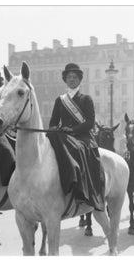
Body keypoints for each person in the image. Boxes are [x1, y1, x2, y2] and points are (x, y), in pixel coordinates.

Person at [47, 63, 105, 211]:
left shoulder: (86, 99)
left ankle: (81, 189)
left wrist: (72, 130)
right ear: (65, 80)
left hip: (82, 137)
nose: (71, 79)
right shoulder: (60, 100)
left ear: (79, 80)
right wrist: (56, 129)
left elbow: (90, 123)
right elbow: (53, 122)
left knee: (77, 149)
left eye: (74, 77)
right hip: (63, 136)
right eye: (69, 77)